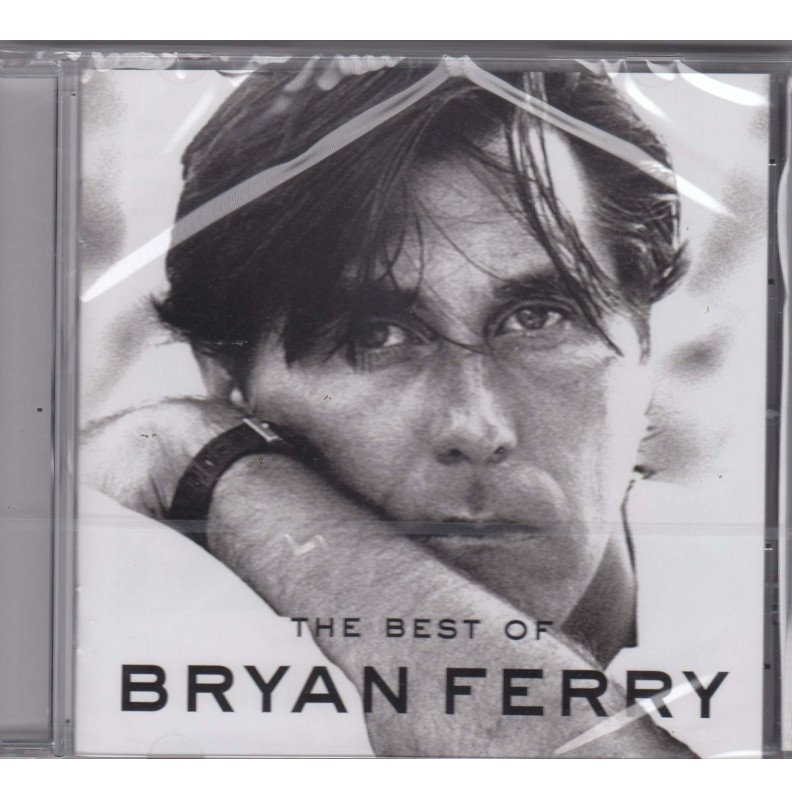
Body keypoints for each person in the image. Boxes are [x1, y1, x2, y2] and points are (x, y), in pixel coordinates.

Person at [81, 60, 695, 757]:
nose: (477, 427)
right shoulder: (137, 666)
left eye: (538, 317)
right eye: (375, 337)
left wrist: (191, 454)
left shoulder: (771, 630)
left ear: (644, 342)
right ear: (226, 381)